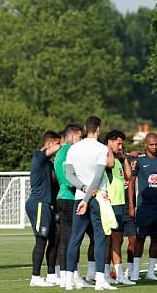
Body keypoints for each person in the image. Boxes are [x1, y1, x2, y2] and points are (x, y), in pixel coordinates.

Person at [64, 116, 116, 291]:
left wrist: (83, 189)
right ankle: (100, 280)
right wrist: (88, 198)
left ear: (86, 128)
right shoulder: (102, 149)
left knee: (75, 239)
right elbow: (98, 176)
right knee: (100, 238)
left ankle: (69, 280)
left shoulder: (73, 148)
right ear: (99, 129)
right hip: (97, 197)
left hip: (79, 196)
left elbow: (69, 176)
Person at [53, 124, 91, 288]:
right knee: (70, 239)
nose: (81, 140)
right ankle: (70, 276)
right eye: (80, 137)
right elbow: (69, 179)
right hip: (69, 198)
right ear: (74, 136)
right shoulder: (69, 151)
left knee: (67, 238)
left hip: (63, 198)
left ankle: (69, 275)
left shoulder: (60, 152)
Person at [25, 131, 61, 287]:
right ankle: (35, 277)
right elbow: (55, 148)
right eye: (57, 144)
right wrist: (68, 143)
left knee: (54, 240)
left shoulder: (50, 163)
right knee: (42, 239)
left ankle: (51, 274)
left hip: (48, 205)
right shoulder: (39, 155)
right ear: (49, 144)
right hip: (39, 203)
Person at [129, 133, 157, 281]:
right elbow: (131, 182)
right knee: (140, 238)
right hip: (143, 207)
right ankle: (136, 272)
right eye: (151, 144)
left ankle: (151, 272)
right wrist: (132, 206)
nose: (154, 147)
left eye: (156, 144)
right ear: (145, 144)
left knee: (156, 239)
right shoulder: (139, 160)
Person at [103, 130, 136, 285]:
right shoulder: (105, 158)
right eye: (118, 143)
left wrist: (124, 159)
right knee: (111, 240)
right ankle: (115, 274)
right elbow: (108, 164)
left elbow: (129, 176)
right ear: (110, 142)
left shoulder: (118, 160)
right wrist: (109, 150)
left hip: (120, 205)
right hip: (110, 205)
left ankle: (112, 273)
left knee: (116, 240)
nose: (121, 146)